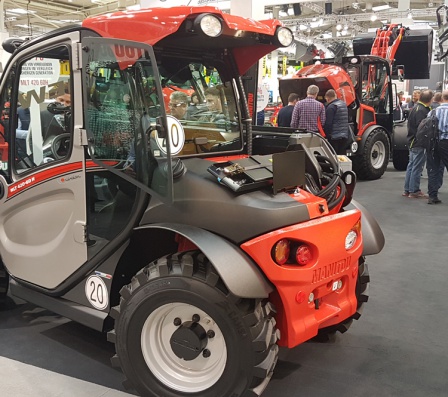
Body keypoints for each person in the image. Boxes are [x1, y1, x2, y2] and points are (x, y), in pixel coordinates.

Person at [403, 89, 433, 198]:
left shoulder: (415, 108)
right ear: (430, 99)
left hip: (412, 141)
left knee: (411, 166)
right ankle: (414, 190)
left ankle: (408, 190)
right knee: (416, 167)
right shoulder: (422, 110)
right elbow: (422, 129)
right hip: (418, 143)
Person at [427, 90, 448, 204]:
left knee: (433, 169)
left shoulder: (433, 111)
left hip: (433, 143)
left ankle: (432, 196)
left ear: (442, 98)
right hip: (446, 142)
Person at [323, 89, 349, 155]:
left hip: (334, 137)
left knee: (334, 156)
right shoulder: (343, 104)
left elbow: (328, 123)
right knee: (342, 156)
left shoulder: (331, 107)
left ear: (327, 99)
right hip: (344, 135)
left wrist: (327, 135)